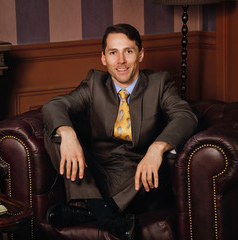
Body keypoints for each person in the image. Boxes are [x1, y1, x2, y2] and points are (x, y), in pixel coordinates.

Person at [41, 23, 197, 239]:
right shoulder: (95, 83)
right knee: (54, 131)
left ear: (140, 55)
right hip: (98, 173)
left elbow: (186, 116)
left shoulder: (159, 83)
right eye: (113, 53)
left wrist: (156, 149)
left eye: (128, 52)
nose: (121, 61)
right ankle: (109, 217)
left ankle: (89, 211)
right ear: (104, 58)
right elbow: (54, 106)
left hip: (139, 175)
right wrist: (68, 134)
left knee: (164, 162)